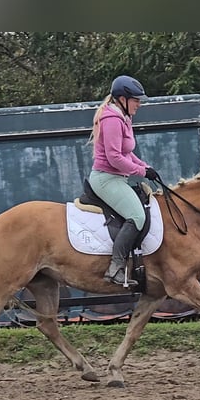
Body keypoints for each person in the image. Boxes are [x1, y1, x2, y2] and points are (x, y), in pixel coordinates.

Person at [88, 75, 161, 287]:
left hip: (117, 178)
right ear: (122, 98)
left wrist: (146, 167)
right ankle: (116, 267)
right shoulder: (111, 119)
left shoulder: (123, 116)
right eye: (136, 100)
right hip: (106, 179)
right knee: (137, 216)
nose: (139, 104)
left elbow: (127, 153)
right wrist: (140, 171)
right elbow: (114, 157)